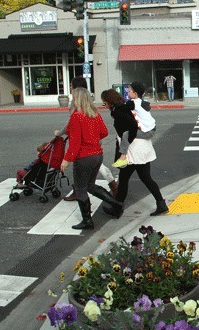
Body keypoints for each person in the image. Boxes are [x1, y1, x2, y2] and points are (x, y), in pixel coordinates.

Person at [60, 87, 124, 230]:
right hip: (97, 155)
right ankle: (116, 203)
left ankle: (87, 220)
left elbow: (75, 143)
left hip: (84, 157)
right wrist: (93, 139)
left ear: (77, 99)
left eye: (73, 97)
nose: (72, 100)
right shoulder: (95, 113)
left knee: (81, 188)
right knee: (90, 185)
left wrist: (66, 159)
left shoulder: (76, 116)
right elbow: (104, 132)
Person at [101, 89, 169, 218]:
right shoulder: (124, 106)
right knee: (143, 178)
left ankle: (117, 209)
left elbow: (131, 129)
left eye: (105, 103)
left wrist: (123, 153)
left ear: (109, 102)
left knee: (125, 180)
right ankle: (161, 204)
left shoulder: (119, 111)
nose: (105, 106)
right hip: (140, 148)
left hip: (134, 150)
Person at [55, 76, 118, 200]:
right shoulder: (92, 107)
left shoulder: (77, 109)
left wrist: (66, 157)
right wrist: (93, 135)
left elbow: (73, 132)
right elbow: (104, 131)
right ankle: (113, 194)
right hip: (95, 148)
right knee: (91, 178)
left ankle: (83, 195)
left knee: (85, 179)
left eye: (71, 85)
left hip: (83, 150)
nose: (70, 88)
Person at [111, 81, 156, 169]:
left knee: (126, 134)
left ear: (135, 94)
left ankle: (123, 157)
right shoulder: (142, 102)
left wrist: (113, 109)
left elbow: (120, 109)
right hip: (152, 129)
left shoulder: (133, 103)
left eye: (129, 91)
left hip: (147, 131)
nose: (127, 92)